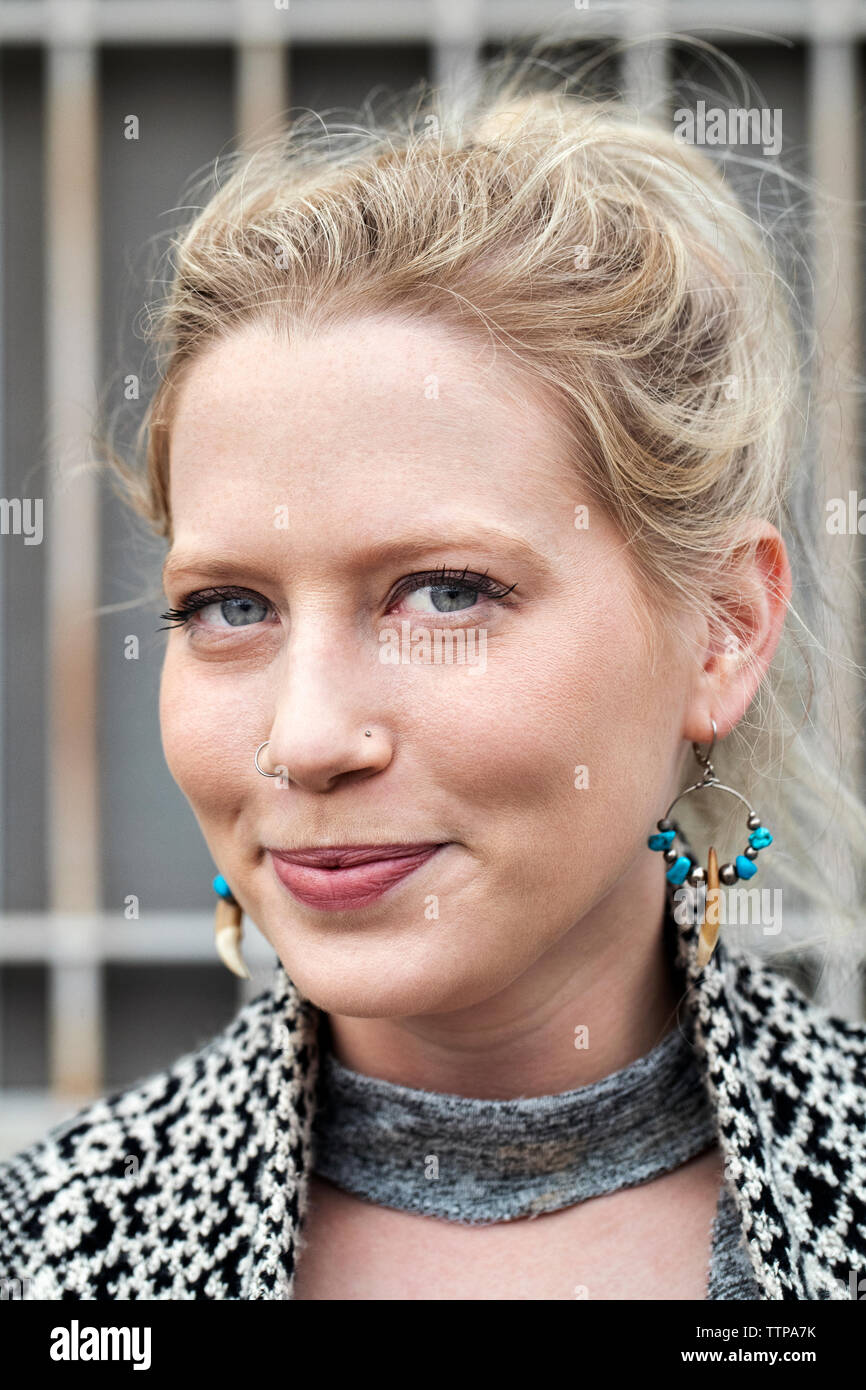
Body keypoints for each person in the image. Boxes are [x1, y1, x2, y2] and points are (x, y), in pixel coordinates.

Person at [2, 47, 866, 1302]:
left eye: (444, 593)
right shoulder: (53, 1268)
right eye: (228, 606)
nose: (303, 739)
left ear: (722, 628)